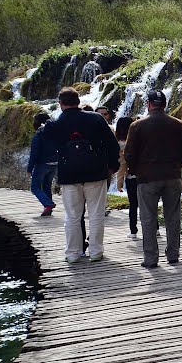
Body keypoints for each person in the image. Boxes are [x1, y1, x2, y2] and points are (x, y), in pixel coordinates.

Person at [42, 87, 120, 264]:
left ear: (60, 103)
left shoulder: (55, 122)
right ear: (78, 101)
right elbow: (112, 144)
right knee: (96, 214)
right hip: (96, 172)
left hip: (69, 174)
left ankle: (72, 254)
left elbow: (47, 144)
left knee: (72, 216)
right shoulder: (96, 118)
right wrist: (113, 166)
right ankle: (95, 252)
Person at [124, 89, 182, 269]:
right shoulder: (178, 124)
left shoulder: (137, 126)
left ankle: (151, 259)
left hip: (147, 178)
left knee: (148, 218)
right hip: (172, 176)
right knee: (173, 217)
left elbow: (129, 154)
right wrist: (178, 165)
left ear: (149, 104)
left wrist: (135, 170)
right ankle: (173, 255)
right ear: (165, 105)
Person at [27, 113, 58, 216]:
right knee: (47, 186)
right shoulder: (54, 132)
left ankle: (48, 204)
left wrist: (29, 169)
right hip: (55, 163)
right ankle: (48, 209)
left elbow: (34, 153)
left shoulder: (39, 133)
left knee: (35, 187)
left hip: (42, 164)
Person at [114, 116, 140, 239]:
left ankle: (133, 231)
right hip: (145, 176)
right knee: (149, 205)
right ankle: (154, 228)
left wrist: (119, 184)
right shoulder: (139, 139)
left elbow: (122, 165)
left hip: (131, 177)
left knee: (133, 205)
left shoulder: (119, 144)